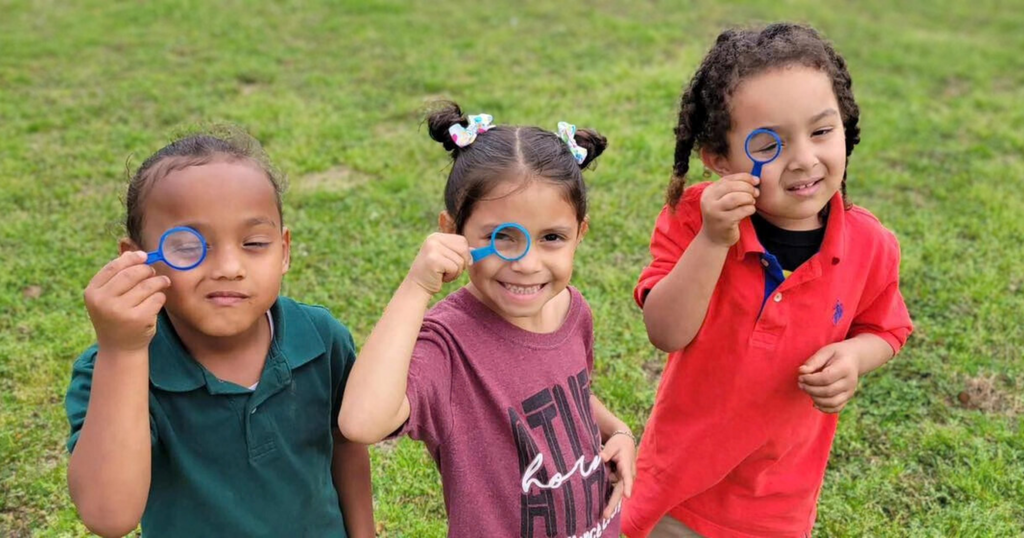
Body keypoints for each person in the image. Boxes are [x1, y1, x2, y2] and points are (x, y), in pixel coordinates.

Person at [626, 23, 914, 537]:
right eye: (770, 142)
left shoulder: (871, 245)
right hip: (678, 491)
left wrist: (853, 357)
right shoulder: (694, 220)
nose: (804, 158)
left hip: (779, 502)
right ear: (719, 160)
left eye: (822, 131)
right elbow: (666, 332)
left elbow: (888, 329)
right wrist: (713, 240)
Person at [339, 102, 634, 537]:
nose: (527, 263)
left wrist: (618, 431)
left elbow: (570, 395)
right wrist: (416, 287)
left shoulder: (572, 309)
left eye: (552, 238)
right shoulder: (448, 346)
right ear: (453, 232)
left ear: (579, 234)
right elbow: (361, 422)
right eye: (502, 238)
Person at [65, 131, 375, 537]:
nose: (229, 266)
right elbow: (108, 516)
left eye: (254, 242)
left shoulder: (321, 339)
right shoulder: (112, 370)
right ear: (135, 260)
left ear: (284, 251)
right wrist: (122, 352)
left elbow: (348, 445)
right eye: (189, 246)